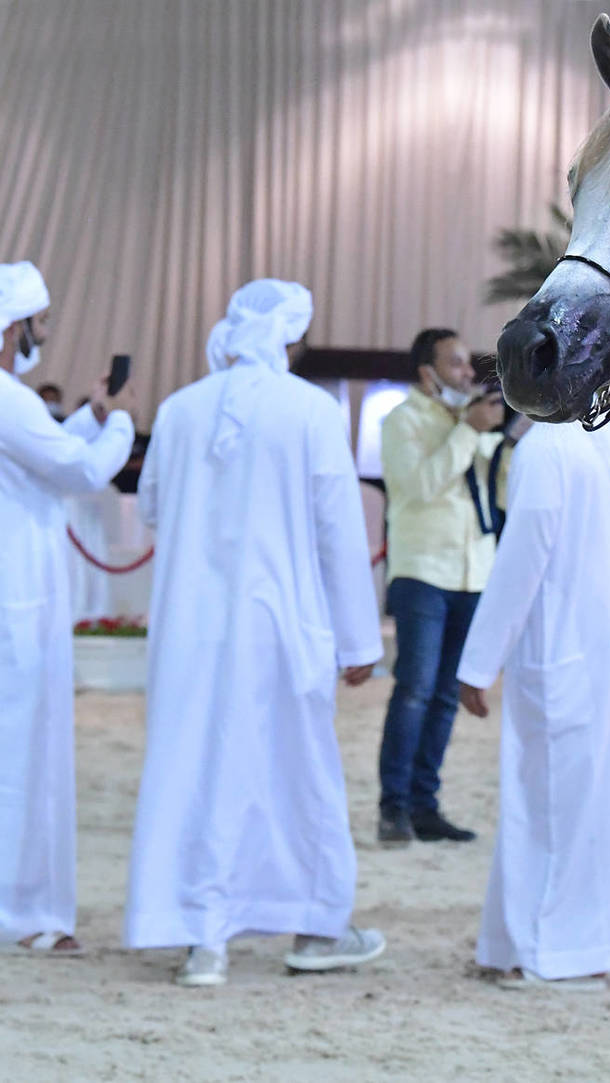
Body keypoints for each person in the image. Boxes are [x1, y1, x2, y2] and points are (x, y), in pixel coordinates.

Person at [126, 279, 386, 986]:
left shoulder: (178, 410)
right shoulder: (309, 410)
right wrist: (361, 642)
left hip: (188, 631)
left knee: (194, 771)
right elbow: (339, 530)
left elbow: (151, 507)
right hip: (280, 627)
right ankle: (314, 928)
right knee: (297, 775)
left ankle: (202, 940)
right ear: (289, 336)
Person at [456, 416, 610, 990]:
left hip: (558, 651)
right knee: (594, 803)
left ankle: (543, 951)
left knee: (545, 804)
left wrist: (478, 663)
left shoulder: (545, 448)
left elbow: (522, 561)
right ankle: (562, 945)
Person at [0, 260, 134, 955]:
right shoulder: (8, 397)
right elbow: (78, 471)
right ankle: (28, 913)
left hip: (14, 590)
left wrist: (90, 415)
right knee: (26, 750)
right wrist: (122, 426)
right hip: (18, 600)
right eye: (40, 322)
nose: (44, 334)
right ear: (14, 325)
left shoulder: (14, 404)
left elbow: (41, 451)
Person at [376, 328, 504, 846]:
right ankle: (394, 807)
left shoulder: (478, 426)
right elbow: (422, 486)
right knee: (414, 690)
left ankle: (426, 807)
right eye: (454, 364)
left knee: (447, 696)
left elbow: (505, 491)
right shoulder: (402, 421)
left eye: (467, 364)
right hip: (422, 574)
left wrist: (505, 438)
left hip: (475, 575)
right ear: (426, 371)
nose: (467, 374)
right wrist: (470, 432)